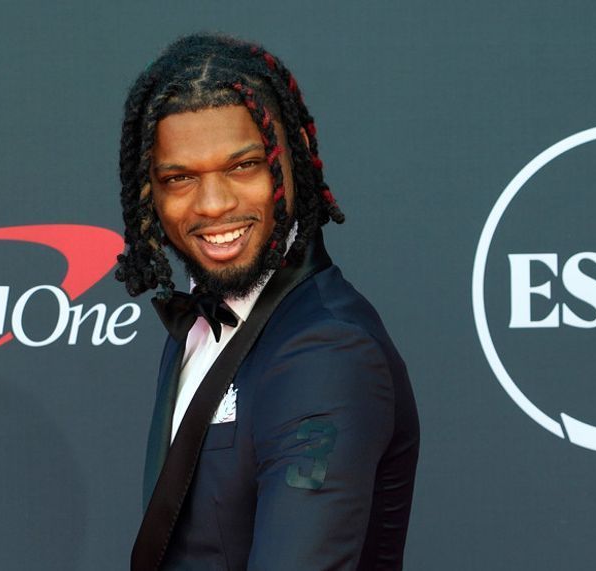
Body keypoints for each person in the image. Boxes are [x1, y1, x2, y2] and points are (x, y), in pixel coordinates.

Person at [115, 33, 420, 571]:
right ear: (150, 192)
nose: (214, 205)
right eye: (180, 177)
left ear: (291, 162)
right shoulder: (202, 316)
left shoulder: (327, 353)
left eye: (242, 167)